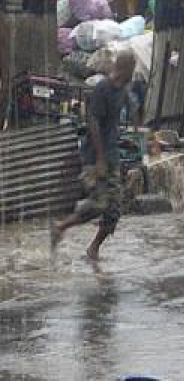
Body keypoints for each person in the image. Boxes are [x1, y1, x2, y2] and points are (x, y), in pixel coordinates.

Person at [51, 50, 138, 261]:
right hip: (94, 156)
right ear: (125, 69)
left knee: (114, 208)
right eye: (132, 70)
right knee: (99, 203)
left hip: (112, 156)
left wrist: (135, 119)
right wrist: (99, 159)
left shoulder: (123, 89)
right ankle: (61, 226)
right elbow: (93, 123)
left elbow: (132, 107)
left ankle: (93, 249)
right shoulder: (102, 89)